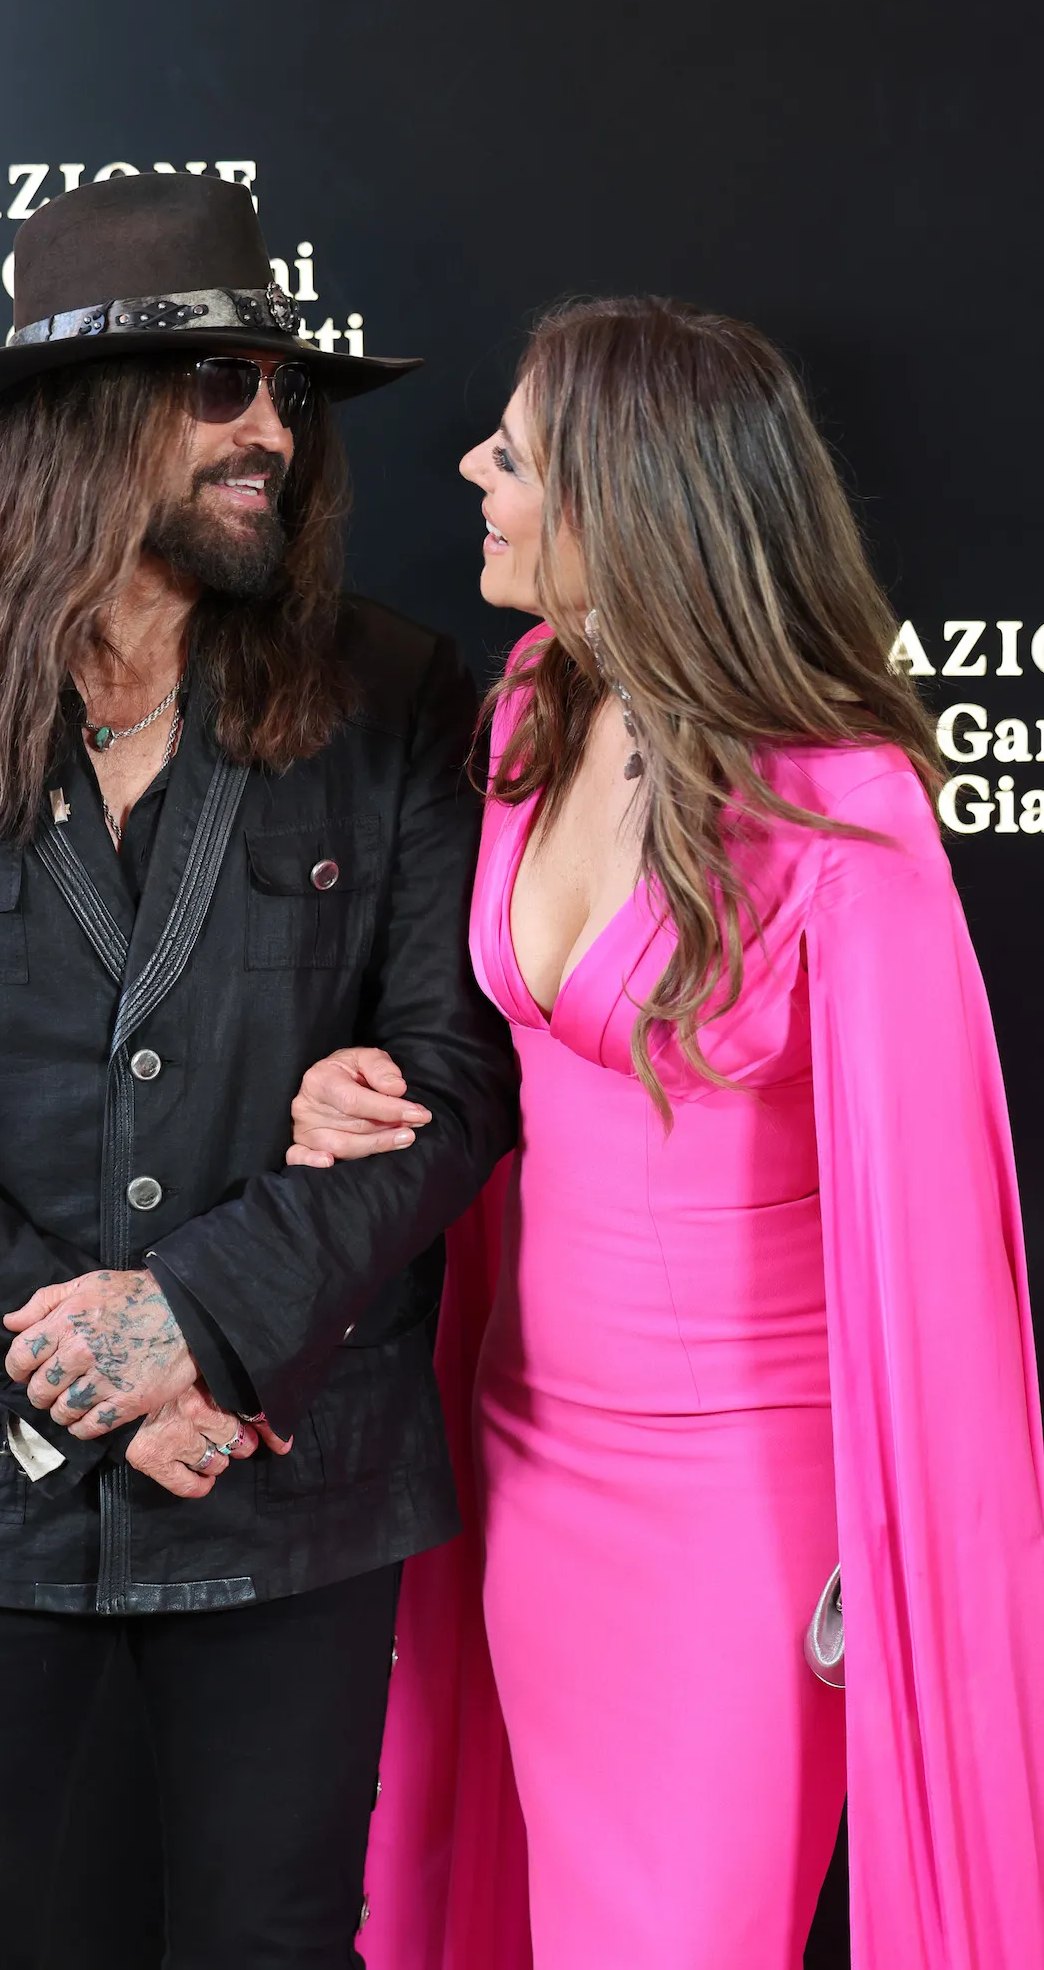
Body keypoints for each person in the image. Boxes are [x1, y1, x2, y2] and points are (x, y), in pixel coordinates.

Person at [0, 171, 515, 1970]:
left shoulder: (400, 694)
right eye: (218, 387)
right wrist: (107, 1363)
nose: (276, 432)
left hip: (289, 1467)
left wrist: (207, 1323)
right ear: (79, 423)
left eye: (286, 392)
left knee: (274, 1940)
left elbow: (454, 1080)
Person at [289, 297, 1044, 1968]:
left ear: (632, 499)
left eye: (520, 449)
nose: (474, 467)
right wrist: (361, 1086)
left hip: (742, 1519)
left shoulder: (838, 808)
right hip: (515, 1456)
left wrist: (895, 1554)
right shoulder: (531, 709)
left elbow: (933, 1229)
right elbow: (498, 1074)